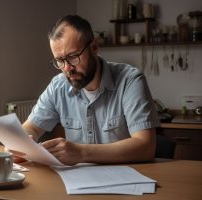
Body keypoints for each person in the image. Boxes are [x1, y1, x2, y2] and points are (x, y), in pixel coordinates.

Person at [22, 15, 160, 166]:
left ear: (94, 48)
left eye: (73, 57)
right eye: (60, 61)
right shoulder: (58, 86)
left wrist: (81, 153)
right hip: (78, 183)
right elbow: (31, 127)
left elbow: (146, 146)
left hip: (125, 182)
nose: (67, 68)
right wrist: (23, 139)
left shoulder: (130, 80)